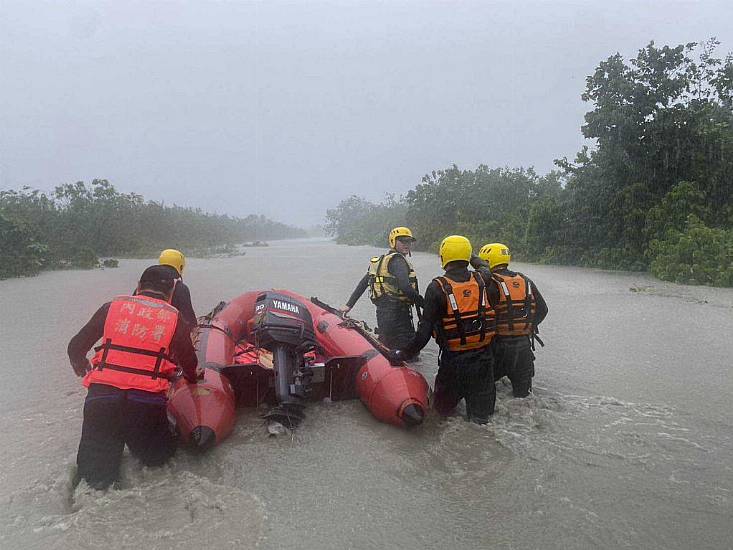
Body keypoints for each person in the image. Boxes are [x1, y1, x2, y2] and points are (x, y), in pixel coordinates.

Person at [68, 265, 199, 489]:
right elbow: (189, 363)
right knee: (158, 460)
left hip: (100, 399)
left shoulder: (110, 308)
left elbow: (75, 347)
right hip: (145, 404)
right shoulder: (175, 319)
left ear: (138, 287)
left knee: (94, 481)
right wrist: (192, 380)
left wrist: (83, 367)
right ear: (170, 295)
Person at [388, 235, 500, 423]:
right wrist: (469, 254)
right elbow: (484, 266)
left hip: (453, 365)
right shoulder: (483, 279)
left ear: (443, 257)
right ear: (467, 257)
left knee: (441, 416)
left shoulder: (436, 288)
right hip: (484, 364)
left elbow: (423, 335)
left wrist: (402, 353)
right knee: (481, 421)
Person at [478, 242, 548, 397]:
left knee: (486, 393)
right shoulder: (525, 280)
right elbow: (543, 309)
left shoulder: (489, 284)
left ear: (487, 261)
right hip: (523, 347)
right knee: (524, 398)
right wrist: (527, 326)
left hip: (498, 348)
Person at [341, 227, 424, 350]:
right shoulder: (398, 261)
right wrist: (425, 304)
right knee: (410, 354)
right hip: (399, 315)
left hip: (383, 313)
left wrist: (348, 305)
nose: (407, 244)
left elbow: (364, 283)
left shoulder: (381, 261)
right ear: (393, 242)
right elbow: (405, 287)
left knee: (387, 346)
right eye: (402, 241)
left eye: (409, 241)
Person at [155, 249, 197, 331]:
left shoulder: (144, 285)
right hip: (165, 334)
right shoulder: (180, 288)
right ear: (180, 267)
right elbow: (190, 321)